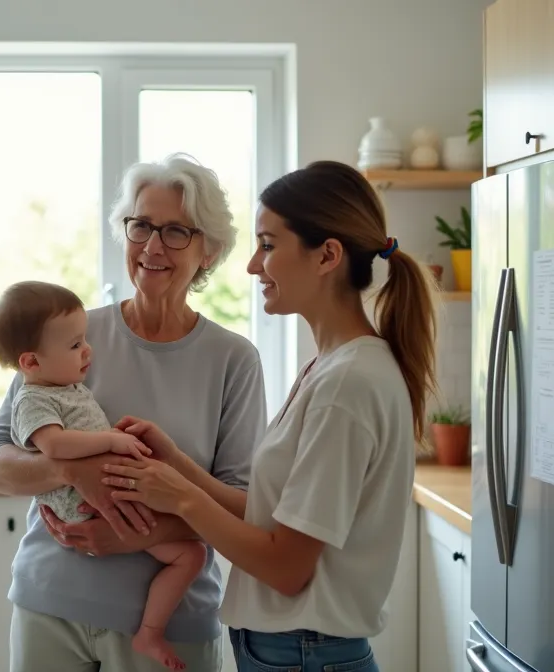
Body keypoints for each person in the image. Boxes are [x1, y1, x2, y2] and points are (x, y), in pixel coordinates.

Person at [99, 160, 438, 672]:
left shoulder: (347, 383)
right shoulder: (334, 366)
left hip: (304, 653)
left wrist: (184, 498)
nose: (254, 265)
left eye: (269, 245)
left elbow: (286, 567)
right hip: (295, 651)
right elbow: (271, 517)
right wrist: (178, 466)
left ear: (326, 256)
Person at [0, 154, 267, 672]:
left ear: (209, 251)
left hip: (172, 629)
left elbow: (243, 508)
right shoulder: (68, 334)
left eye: (176, 231)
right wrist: (70, 469)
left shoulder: (233, 359)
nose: (153, 246)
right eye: (142, 226)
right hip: (50, 607)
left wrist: (142, 534)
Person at [0, 280, 208, 671]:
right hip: (88, 513)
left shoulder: (66, 383)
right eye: (75, 346)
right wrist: (111, 443)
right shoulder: (34, 397)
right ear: (30, 363)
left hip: (111, 506)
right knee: (188, 555)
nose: (88, 350)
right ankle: (151, 632)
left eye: (83, 340)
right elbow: (47, 448)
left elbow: (239, 504)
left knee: (190, 554)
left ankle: (150, 631)